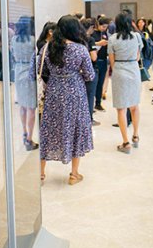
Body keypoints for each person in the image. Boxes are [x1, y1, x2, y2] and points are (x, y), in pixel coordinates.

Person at [31, 15, 94, 185]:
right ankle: (74, 175)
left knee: (48, 129)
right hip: (75, 94)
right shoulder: (80, 49)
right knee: (75, 128)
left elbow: (37, 69)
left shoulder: (47, 47)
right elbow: (90, 75)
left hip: (53, 93)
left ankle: (41, 174)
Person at [108, 13, 143, 153]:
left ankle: (126, 142)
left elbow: (112, 60)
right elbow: (137, 56)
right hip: (134, 70)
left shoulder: (112, 39)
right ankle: (135, 136)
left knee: (121, 109)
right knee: (134, 106)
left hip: (119, 71)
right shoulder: (137, 36)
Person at [11, 16, 39, 150]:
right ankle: (29, 138)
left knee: (22, 105)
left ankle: (24, 132)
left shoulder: (14, 39)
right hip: (29, 71)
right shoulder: (33, 40)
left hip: (18, 70)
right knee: (31, 107)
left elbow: (12, 55)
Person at [81, 18, 100, 126]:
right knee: (90, 95)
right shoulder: (90, 39)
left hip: (79, 71)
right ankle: (89, 119)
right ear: (90, 28)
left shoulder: (76, 39)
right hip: (91, 69)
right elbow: (93, 57)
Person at [92, 16, 110, 111]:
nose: (104, 28)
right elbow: (90, 44)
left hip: (104, 60)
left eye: (106, 27)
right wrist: (99, 43)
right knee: (95, 83)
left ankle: (98, 103)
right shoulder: (93, 34)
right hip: (95, 60)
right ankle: (92, 102)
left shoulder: (105, 34)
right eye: (103, 26)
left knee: (101, 83)